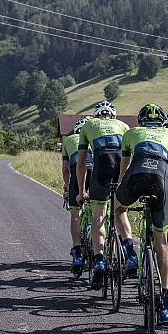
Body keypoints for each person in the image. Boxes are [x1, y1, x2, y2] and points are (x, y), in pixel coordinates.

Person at [116, 103, 168, 325]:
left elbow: (123, 171)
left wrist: (120, 190)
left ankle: (129, 251)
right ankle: (164, 302)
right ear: (162, 122)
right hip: (161, 182)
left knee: (118, 208)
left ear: (141, 121)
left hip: (135, 178)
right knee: (161, 241)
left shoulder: (130, 133)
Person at [76, 101, 136, 290]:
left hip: (100, 171)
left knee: (98, 216)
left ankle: (100, 260)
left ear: (97, 115)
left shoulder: (88, 126)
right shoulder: (124, 126)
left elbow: (81, 162)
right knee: (120, 211)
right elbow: (131, 157)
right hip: (120, 170)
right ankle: (130, 252)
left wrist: (80, 191)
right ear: (113, 115)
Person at [61, 117, 93, 275]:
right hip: (96, 175)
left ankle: (77, 251)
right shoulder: (94, 136)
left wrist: (67, 188)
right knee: (100, 209)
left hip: (77, 174)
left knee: (75, 213)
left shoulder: (69, 140)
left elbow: (65, 169)